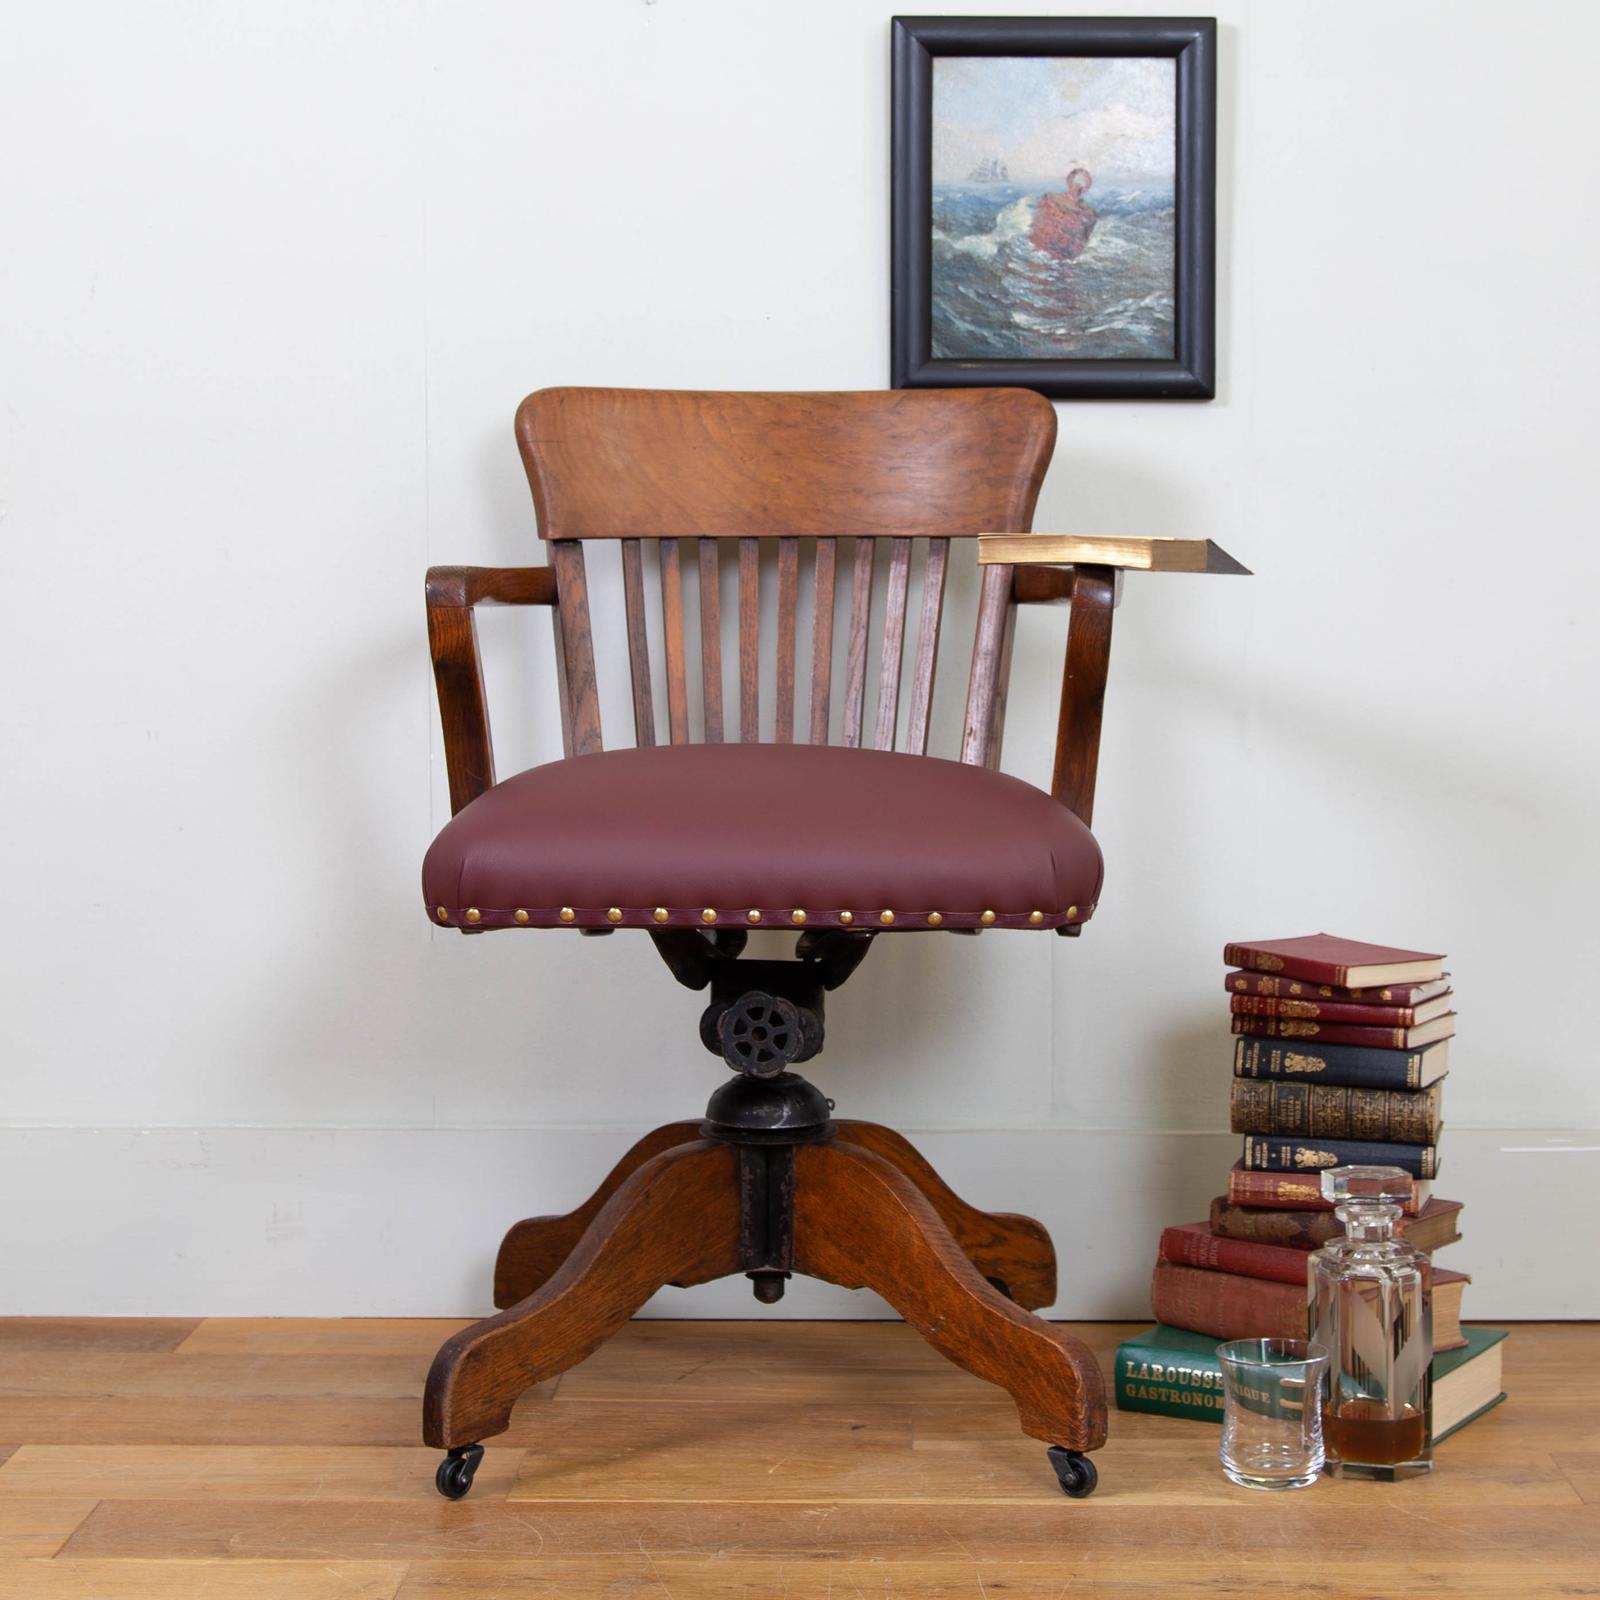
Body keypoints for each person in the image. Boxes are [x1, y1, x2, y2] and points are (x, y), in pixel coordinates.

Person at [1029, 167, 1097, 261]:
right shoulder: (1050, 198)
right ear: (1069, 183)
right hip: (1039, 250)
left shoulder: (1089, 214)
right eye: (1076, 183)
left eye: (1081, 185)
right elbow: (1036, 224)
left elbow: (1082, 242)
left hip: (1062, 256)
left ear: (1086, 188)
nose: (1077, 188)